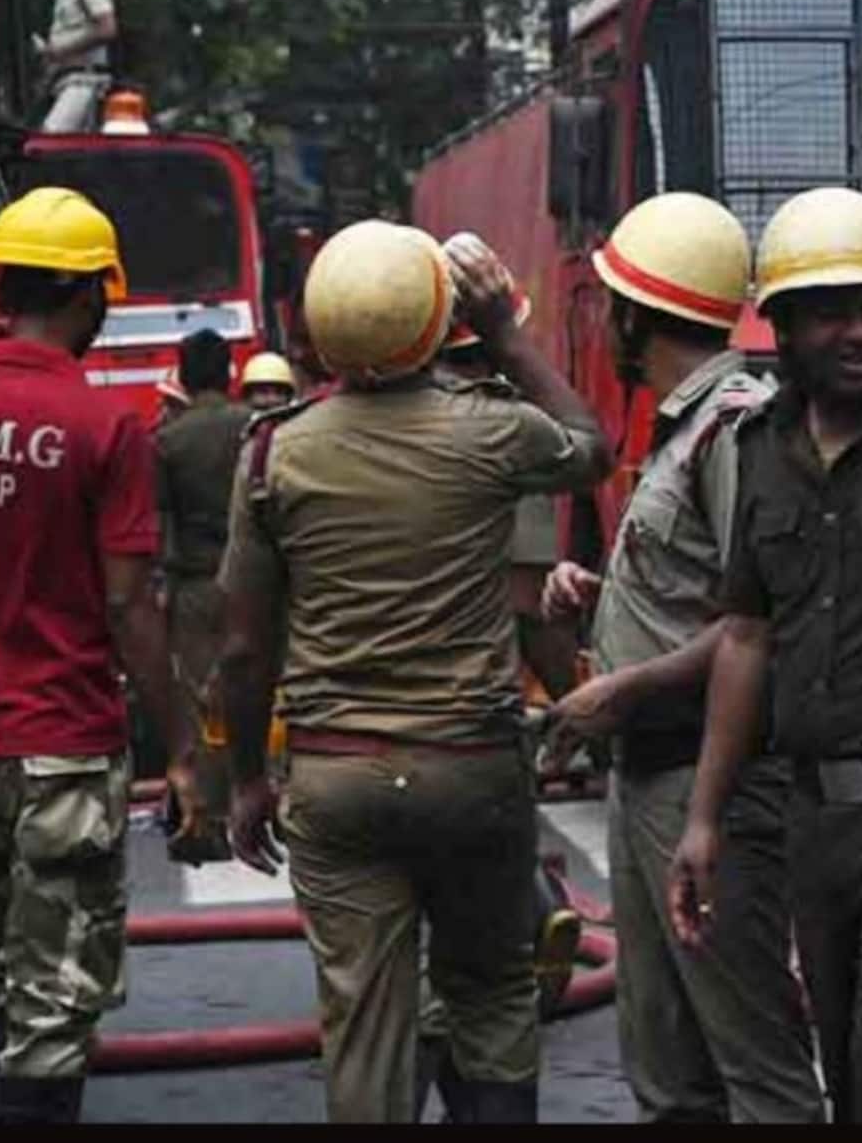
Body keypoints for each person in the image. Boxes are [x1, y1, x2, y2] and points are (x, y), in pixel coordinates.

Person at [215, 220, 610, 1124]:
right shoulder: (492, 433)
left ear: (317, 332)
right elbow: (587, 446)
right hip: (471, 771)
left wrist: (244, 780)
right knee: (493, 995)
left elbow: (243, 648)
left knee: (363, 1021)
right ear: (438, 320)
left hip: (336, 773)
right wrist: (506, 335)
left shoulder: (276, 451)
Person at [669, 187, 862, 1124]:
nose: (860, 330)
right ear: (784, 328)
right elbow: (747, 635)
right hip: (812, 823)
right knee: (844, 1073)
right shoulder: (761, 450)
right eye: (831, 311)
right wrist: (704, 820)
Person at [542, 193, 822, 1124]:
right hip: (648, 776)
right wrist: (605, 596)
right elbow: (700, 582)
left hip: (713, 786)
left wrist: (626, 685)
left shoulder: (737, 424)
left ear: (632, 314)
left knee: (755, 1065)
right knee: (666, 1069)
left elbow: (767, 616)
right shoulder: (686, 429)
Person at [0, 188, 204, 1124]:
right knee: (53, 1001)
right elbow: (128, 604)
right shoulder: (105, 424)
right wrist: (185, 746)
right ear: (84, 295)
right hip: (58, 747)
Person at [412, 287, 585, 1121]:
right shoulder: (500, 434)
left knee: (389, 973)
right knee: (477, 979)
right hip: (469, 742)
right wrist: (589, 705)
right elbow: (526, 600)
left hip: (349, 751)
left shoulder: (319, 436)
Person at [153, 329, 251, 863]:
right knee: (253, 689)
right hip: (249, 583)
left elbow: (157, 523)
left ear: (185, 376)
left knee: (197, 699)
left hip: (193, 583)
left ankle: (205, 817)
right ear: (228, 372)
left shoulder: (169, 440)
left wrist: (159, 587)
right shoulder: (255, 430)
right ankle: (259, 801)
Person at [31, 0, 118, 135]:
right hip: (68, 80)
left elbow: (107, 29)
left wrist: (60, 50)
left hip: (83, 81)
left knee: (51, 139)